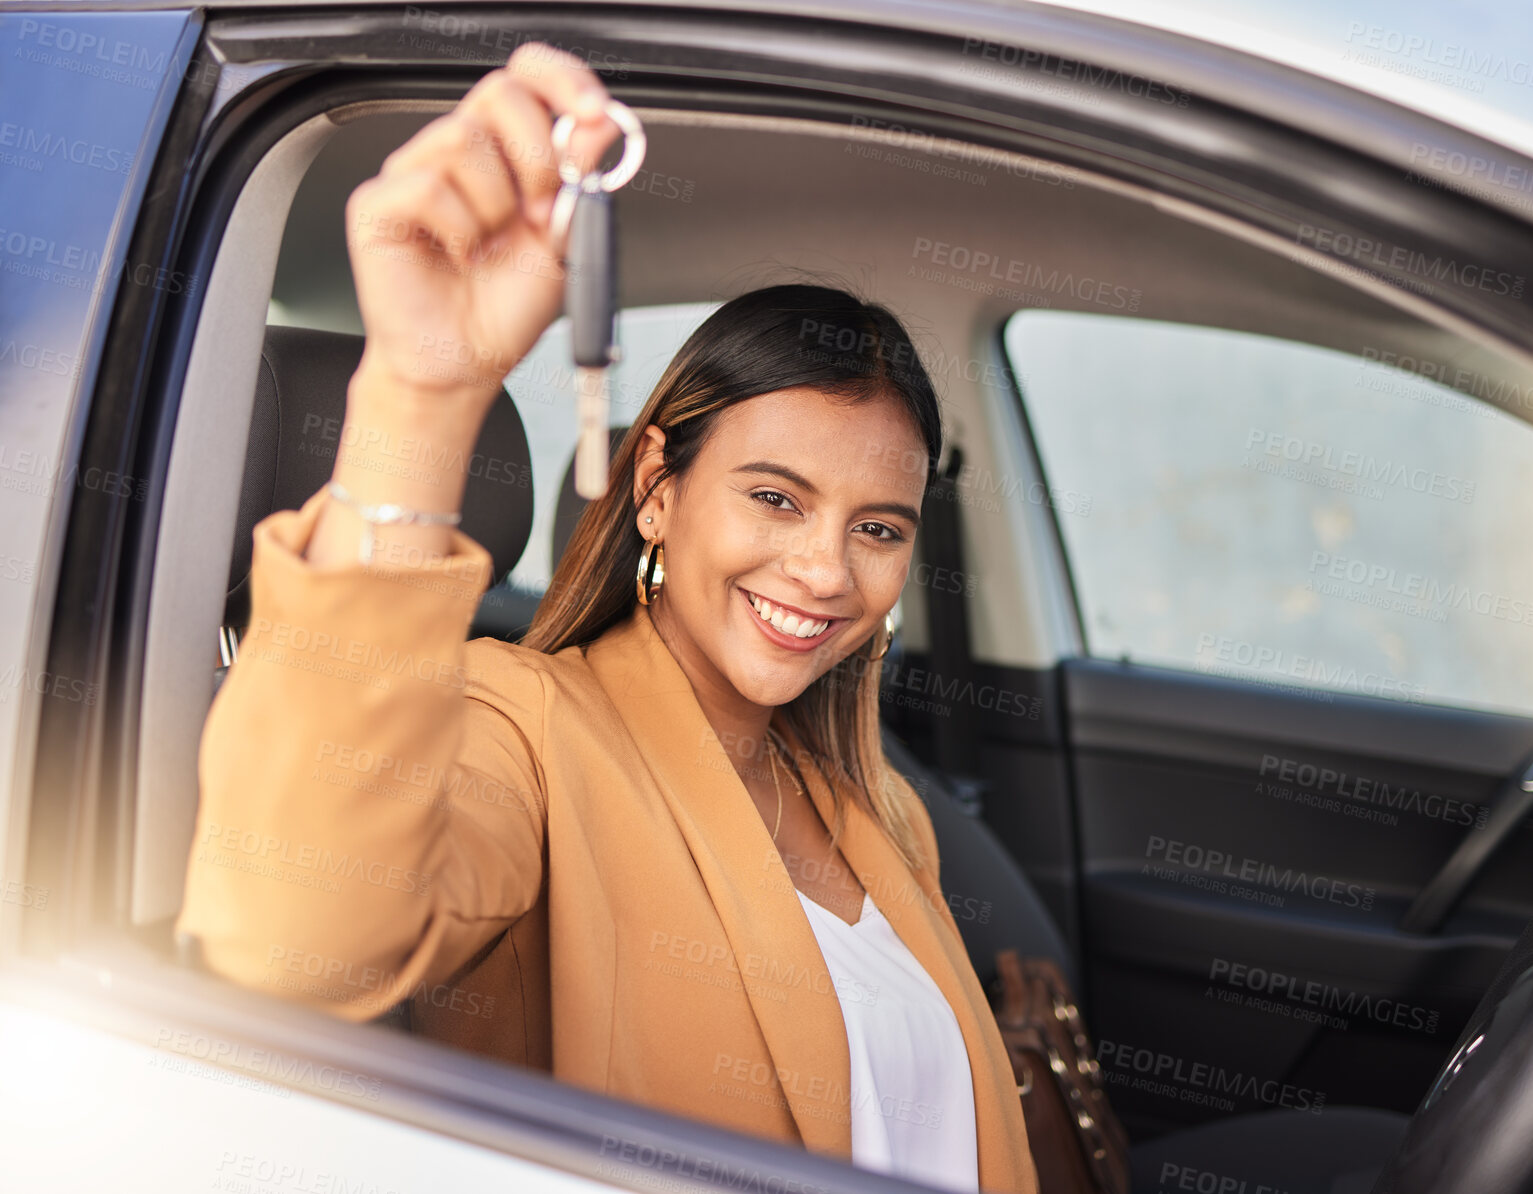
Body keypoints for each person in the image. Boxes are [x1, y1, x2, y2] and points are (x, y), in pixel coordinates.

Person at [174, 43, 1035, 1194]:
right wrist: (421, 397)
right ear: (657, 492)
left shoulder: (879, 806)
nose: (826, 569)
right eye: (775, 498)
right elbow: (296, 938)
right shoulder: (521, 727)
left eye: (878, 528)